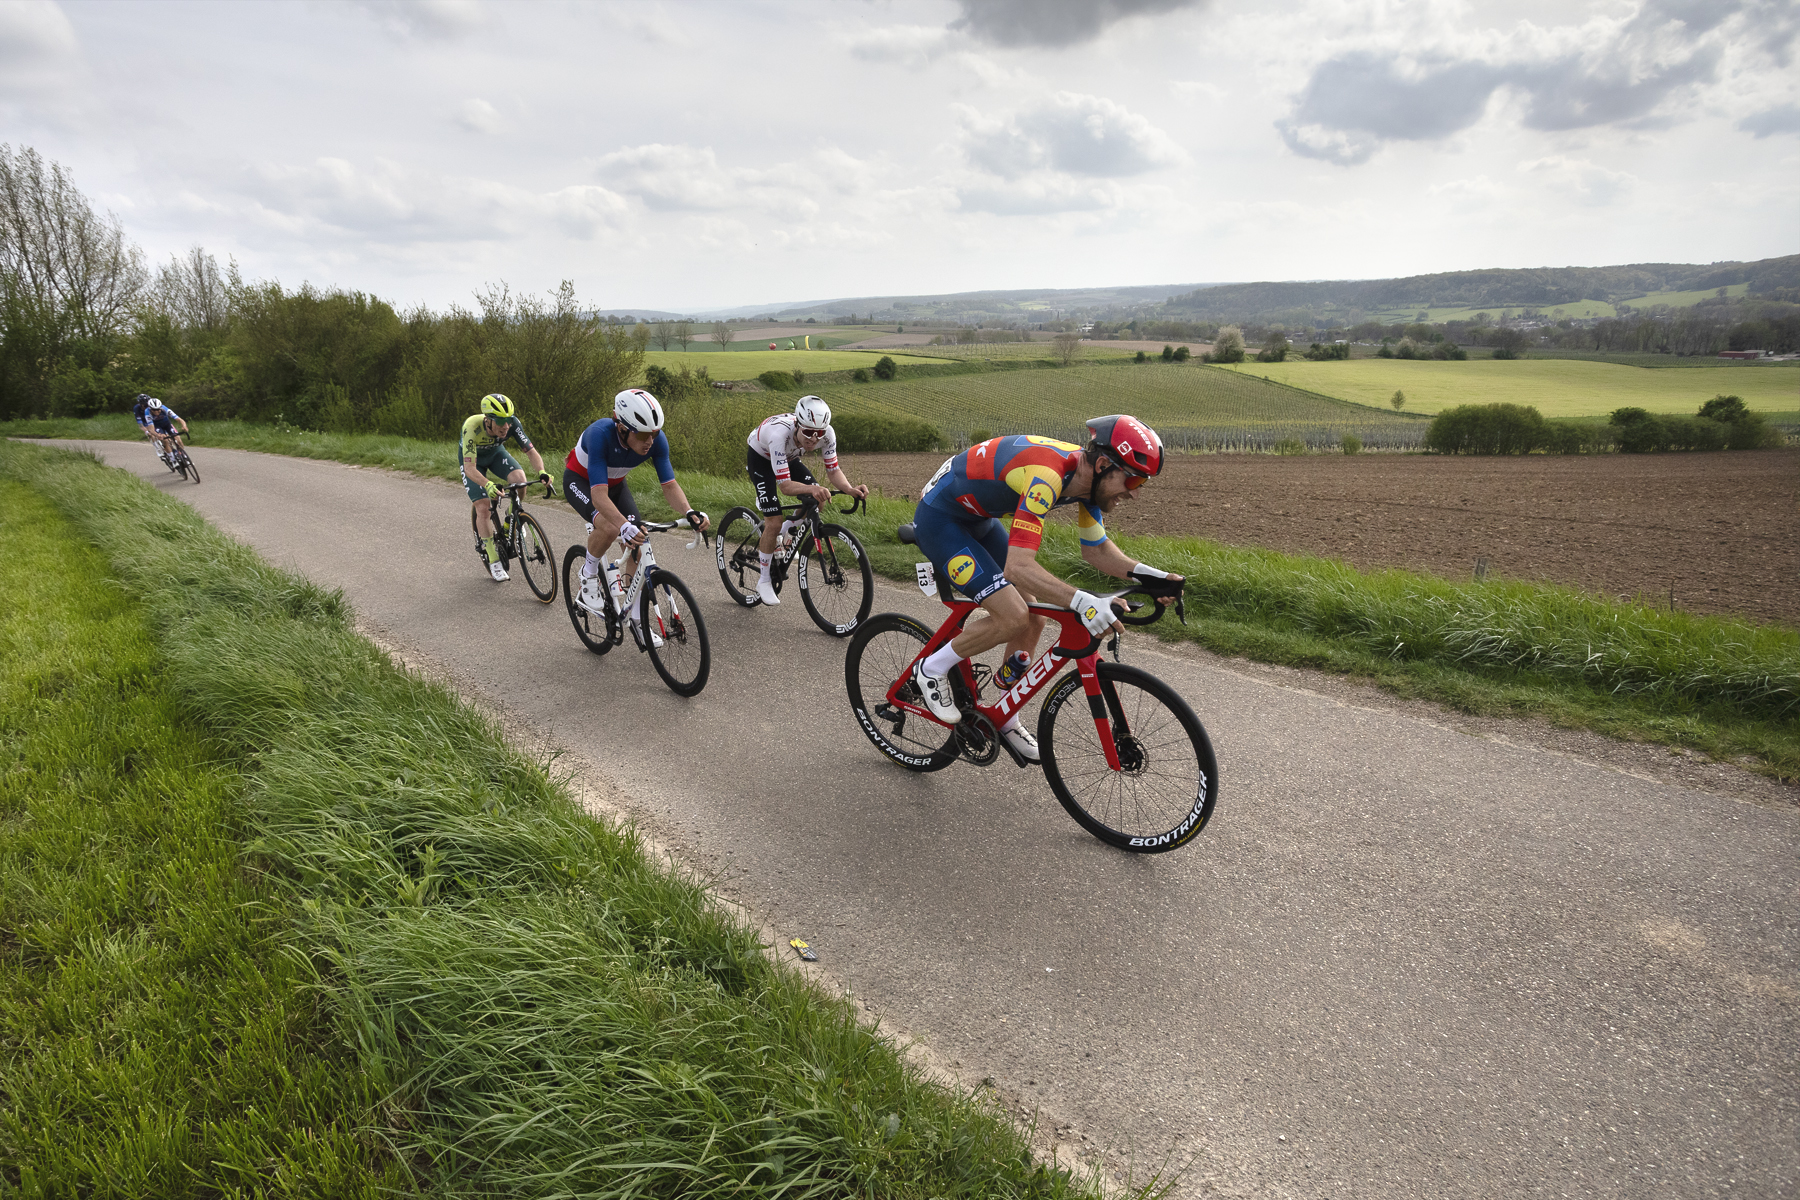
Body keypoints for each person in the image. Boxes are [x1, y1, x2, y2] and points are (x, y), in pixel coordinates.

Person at [907, 415, 1183, 762]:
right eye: (1134, 479)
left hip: (978, 518)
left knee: (1034, 617)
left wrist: (1150, 576)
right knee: (1013, 615)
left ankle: (1005, 715)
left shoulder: (1089, 483)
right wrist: (1084, 602)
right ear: (1102, 464)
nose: (1136, 494)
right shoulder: (1047, 477)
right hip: (941, 520)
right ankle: (930, 669)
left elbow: (1095, 550)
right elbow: (1018, 567)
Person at [563, 388, 710, 647]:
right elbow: (598, 497)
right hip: (582, 482)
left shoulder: (656, 440)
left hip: (616, 486)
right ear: (620, 427)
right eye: (643, 434)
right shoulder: (600, 435)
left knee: (638, 547)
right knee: (610, 528)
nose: (650, 441)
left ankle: (635, 618)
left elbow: (669, 485)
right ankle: (587, 577)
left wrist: (689, 512)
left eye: (654, 434)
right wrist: (623, 525)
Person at [744, 395, 869, 606]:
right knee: (773, 521)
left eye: (819, 434)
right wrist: (813, 488)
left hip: (789, 457)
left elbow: (833, 470)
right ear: (797, 425)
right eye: (809, 433)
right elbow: (785, 487)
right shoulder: (779, 435)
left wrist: (849, 489)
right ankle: (764, 580)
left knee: (817, 500)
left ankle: (787, 533)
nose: (813, 439)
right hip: (762, 458)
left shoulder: (827, 434)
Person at [459, 393, 552, 582]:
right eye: (501, 421)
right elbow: (469, 468)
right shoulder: (472, 427)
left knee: (519, 479)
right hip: (473, 462)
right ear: (488, 420)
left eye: (508, 420)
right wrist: (487, 484)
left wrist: (542, 472)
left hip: (495, 454)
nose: (506, 426)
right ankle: (493, 559)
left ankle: (512, 520)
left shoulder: (513, 425)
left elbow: (531, 452)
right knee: (483, 506)